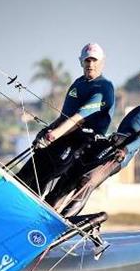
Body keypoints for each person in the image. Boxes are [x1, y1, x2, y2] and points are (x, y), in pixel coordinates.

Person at [46, 66, 140, 217]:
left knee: (87, 180)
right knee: (72, 173)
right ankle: (49, 206)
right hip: (109, 144)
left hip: (119, 153)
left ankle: (65, 217)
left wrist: (126, 149)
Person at [16, 43, 115, 196]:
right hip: (61, 136)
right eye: (87, 60)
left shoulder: (104, 87)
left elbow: (78, 119)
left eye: (94, 60)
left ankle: (31, 212)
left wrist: (53, 135)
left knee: (40, 180)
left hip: (79, 143)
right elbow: (64, 117)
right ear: (81, 61)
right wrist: (47, 130)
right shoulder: (79, 82)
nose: (90, 64)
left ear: (102, 62)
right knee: (25, 174)